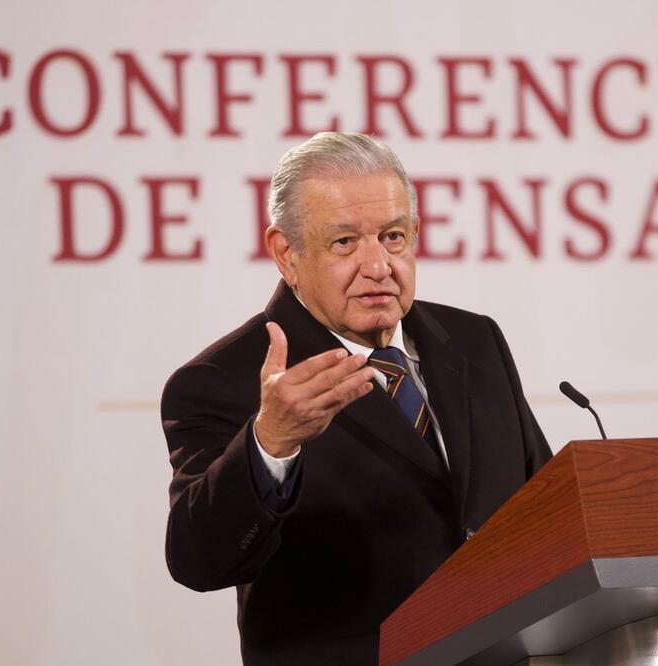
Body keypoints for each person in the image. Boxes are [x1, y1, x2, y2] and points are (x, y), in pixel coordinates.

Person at [160, 132, 551, 665]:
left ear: (415, 233)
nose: (378, 266)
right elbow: (199, 561)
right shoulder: (223, 378)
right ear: (286, 254)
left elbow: (543, 507)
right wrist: (270, 443)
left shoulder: (474, 341)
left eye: (392, 237)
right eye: (344, 242)